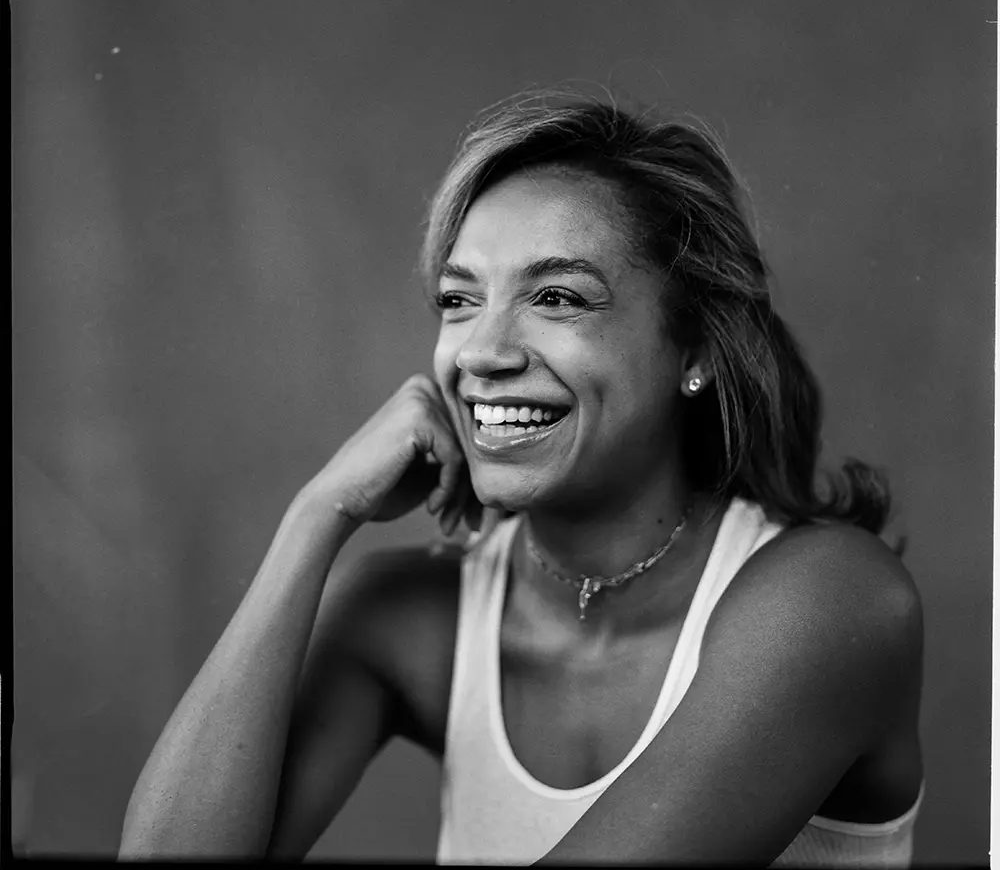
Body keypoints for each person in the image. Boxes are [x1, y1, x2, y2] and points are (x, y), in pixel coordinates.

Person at [118, 95, 924, 865]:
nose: (480, 352)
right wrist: (315, 517)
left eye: (557, 296)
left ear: (699, 351)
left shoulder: (831, 600)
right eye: (458, 300)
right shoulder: (409, 616)